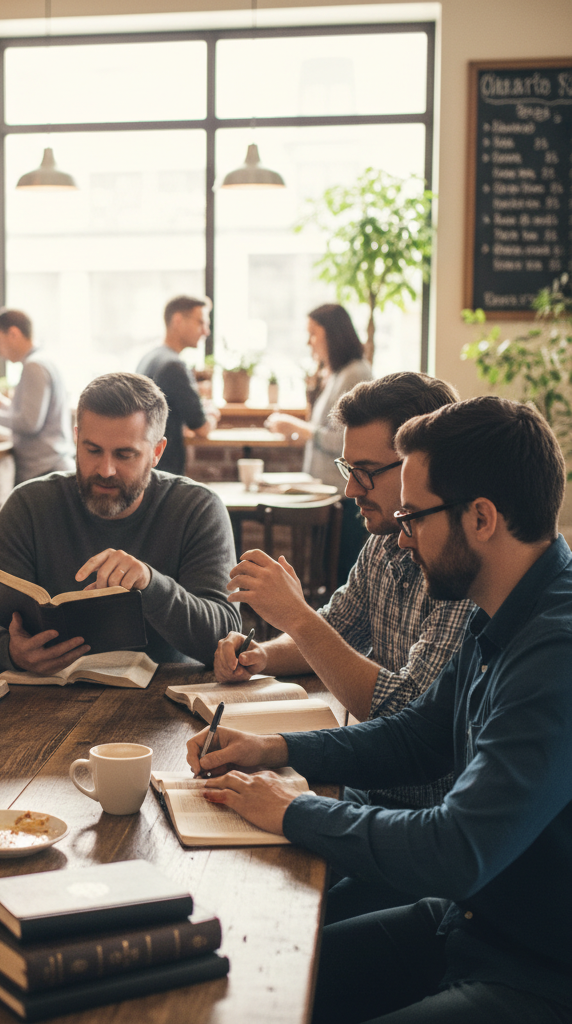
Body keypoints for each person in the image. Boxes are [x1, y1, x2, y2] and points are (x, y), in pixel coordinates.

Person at [188, 396, 572, 1024]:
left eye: (414, 516)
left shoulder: (556, 653)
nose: (402, 534)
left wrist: (293, 809)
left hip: (537, 973)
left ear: (481, 518)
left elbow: (456, 848)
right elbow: (417, 736)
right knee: (252, 980)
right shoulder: (500, 608)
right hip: (467, 921)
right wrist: (275, 749)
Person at [218, 372, 475, 923]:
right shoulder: (384, 544)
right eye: (347, 469)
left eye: (365, 472)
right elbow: (338, 627)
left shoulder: (462, 570)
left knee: (276, 911)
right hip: (372, 791)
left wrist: (295, 615)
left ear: (419, 465)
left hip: (417, 822)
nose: (351, 490)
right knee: (239, 863)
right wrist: (262, 655)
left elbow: (405, 715)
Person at [0, 371, 238, 673]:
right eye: (92, 450)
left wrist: (150, 584)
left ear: (156, 452)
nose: (106, 470)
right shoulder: (29, 505)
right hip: (49, 692)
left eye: (124, 455)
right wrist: (11, 652)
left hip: (165, 692)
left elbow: (226, 635)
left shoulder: (197, 509)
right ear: (76, 439)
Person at [265, 303, 372, 486]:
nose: (308, 343)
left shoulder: (355, 375)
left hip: (340, 490)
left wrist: (301, 429)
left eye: (313, 334)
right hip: (325, 485)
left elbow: (346, 441)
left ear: (332, 335)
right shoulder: (337, 375)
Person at [0, 308, 74, 483]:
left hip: (44, 471)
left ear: (13, 334)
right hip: (51, 465)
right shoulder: (44, 360)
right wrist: (0, 403)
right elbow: (33, 414)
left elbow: (29, 423)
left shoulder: (34, 366)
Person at [136, 295, 217, 475]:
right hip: (163, 472)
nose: (206, 332)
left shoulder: (150, 357)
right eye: (200, 323)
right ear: (178, 320)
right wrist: (212, 415)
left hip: (147, 467)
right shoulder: (174, 366)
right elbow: (202, 428)